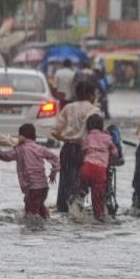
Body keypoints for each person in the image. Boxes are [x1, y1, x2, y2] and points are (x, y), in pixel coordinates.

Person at [52, 81, 101, 212]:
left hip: (68, 149)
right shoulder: (94, 110)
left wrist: (67, 139)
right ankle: (77, 211)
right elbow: (97, 134)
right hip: (85, 152)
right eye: (95, 94)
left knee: (65, 184)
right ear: (90, 95)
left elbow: (55, 132)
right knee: (81, 184)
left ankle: (63, 210)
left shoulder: (68, 108)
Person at [0, 124, 60, 219]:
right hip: (43, 187)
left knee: (30, 213)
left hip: (32, 188)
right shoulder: (39, 148)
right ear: (34, 136)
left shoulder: (20, 149)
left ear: (21, 137)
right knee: (39, 207)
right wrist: (53, 172)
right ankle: (47, 221)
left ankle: (33, 231)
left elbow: (6, 157)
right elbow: (55, 158)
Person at [79, 114, 118, 222]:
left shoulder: (87, 137)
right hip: (99, 171)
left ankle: (77, 209)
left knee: (81, 192)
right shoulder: (107, 138)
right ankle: (99, 219)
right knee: (98, 199)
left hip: (86, 168)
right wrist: (110, 159)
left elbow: (83, 151)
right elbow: (114, 153)